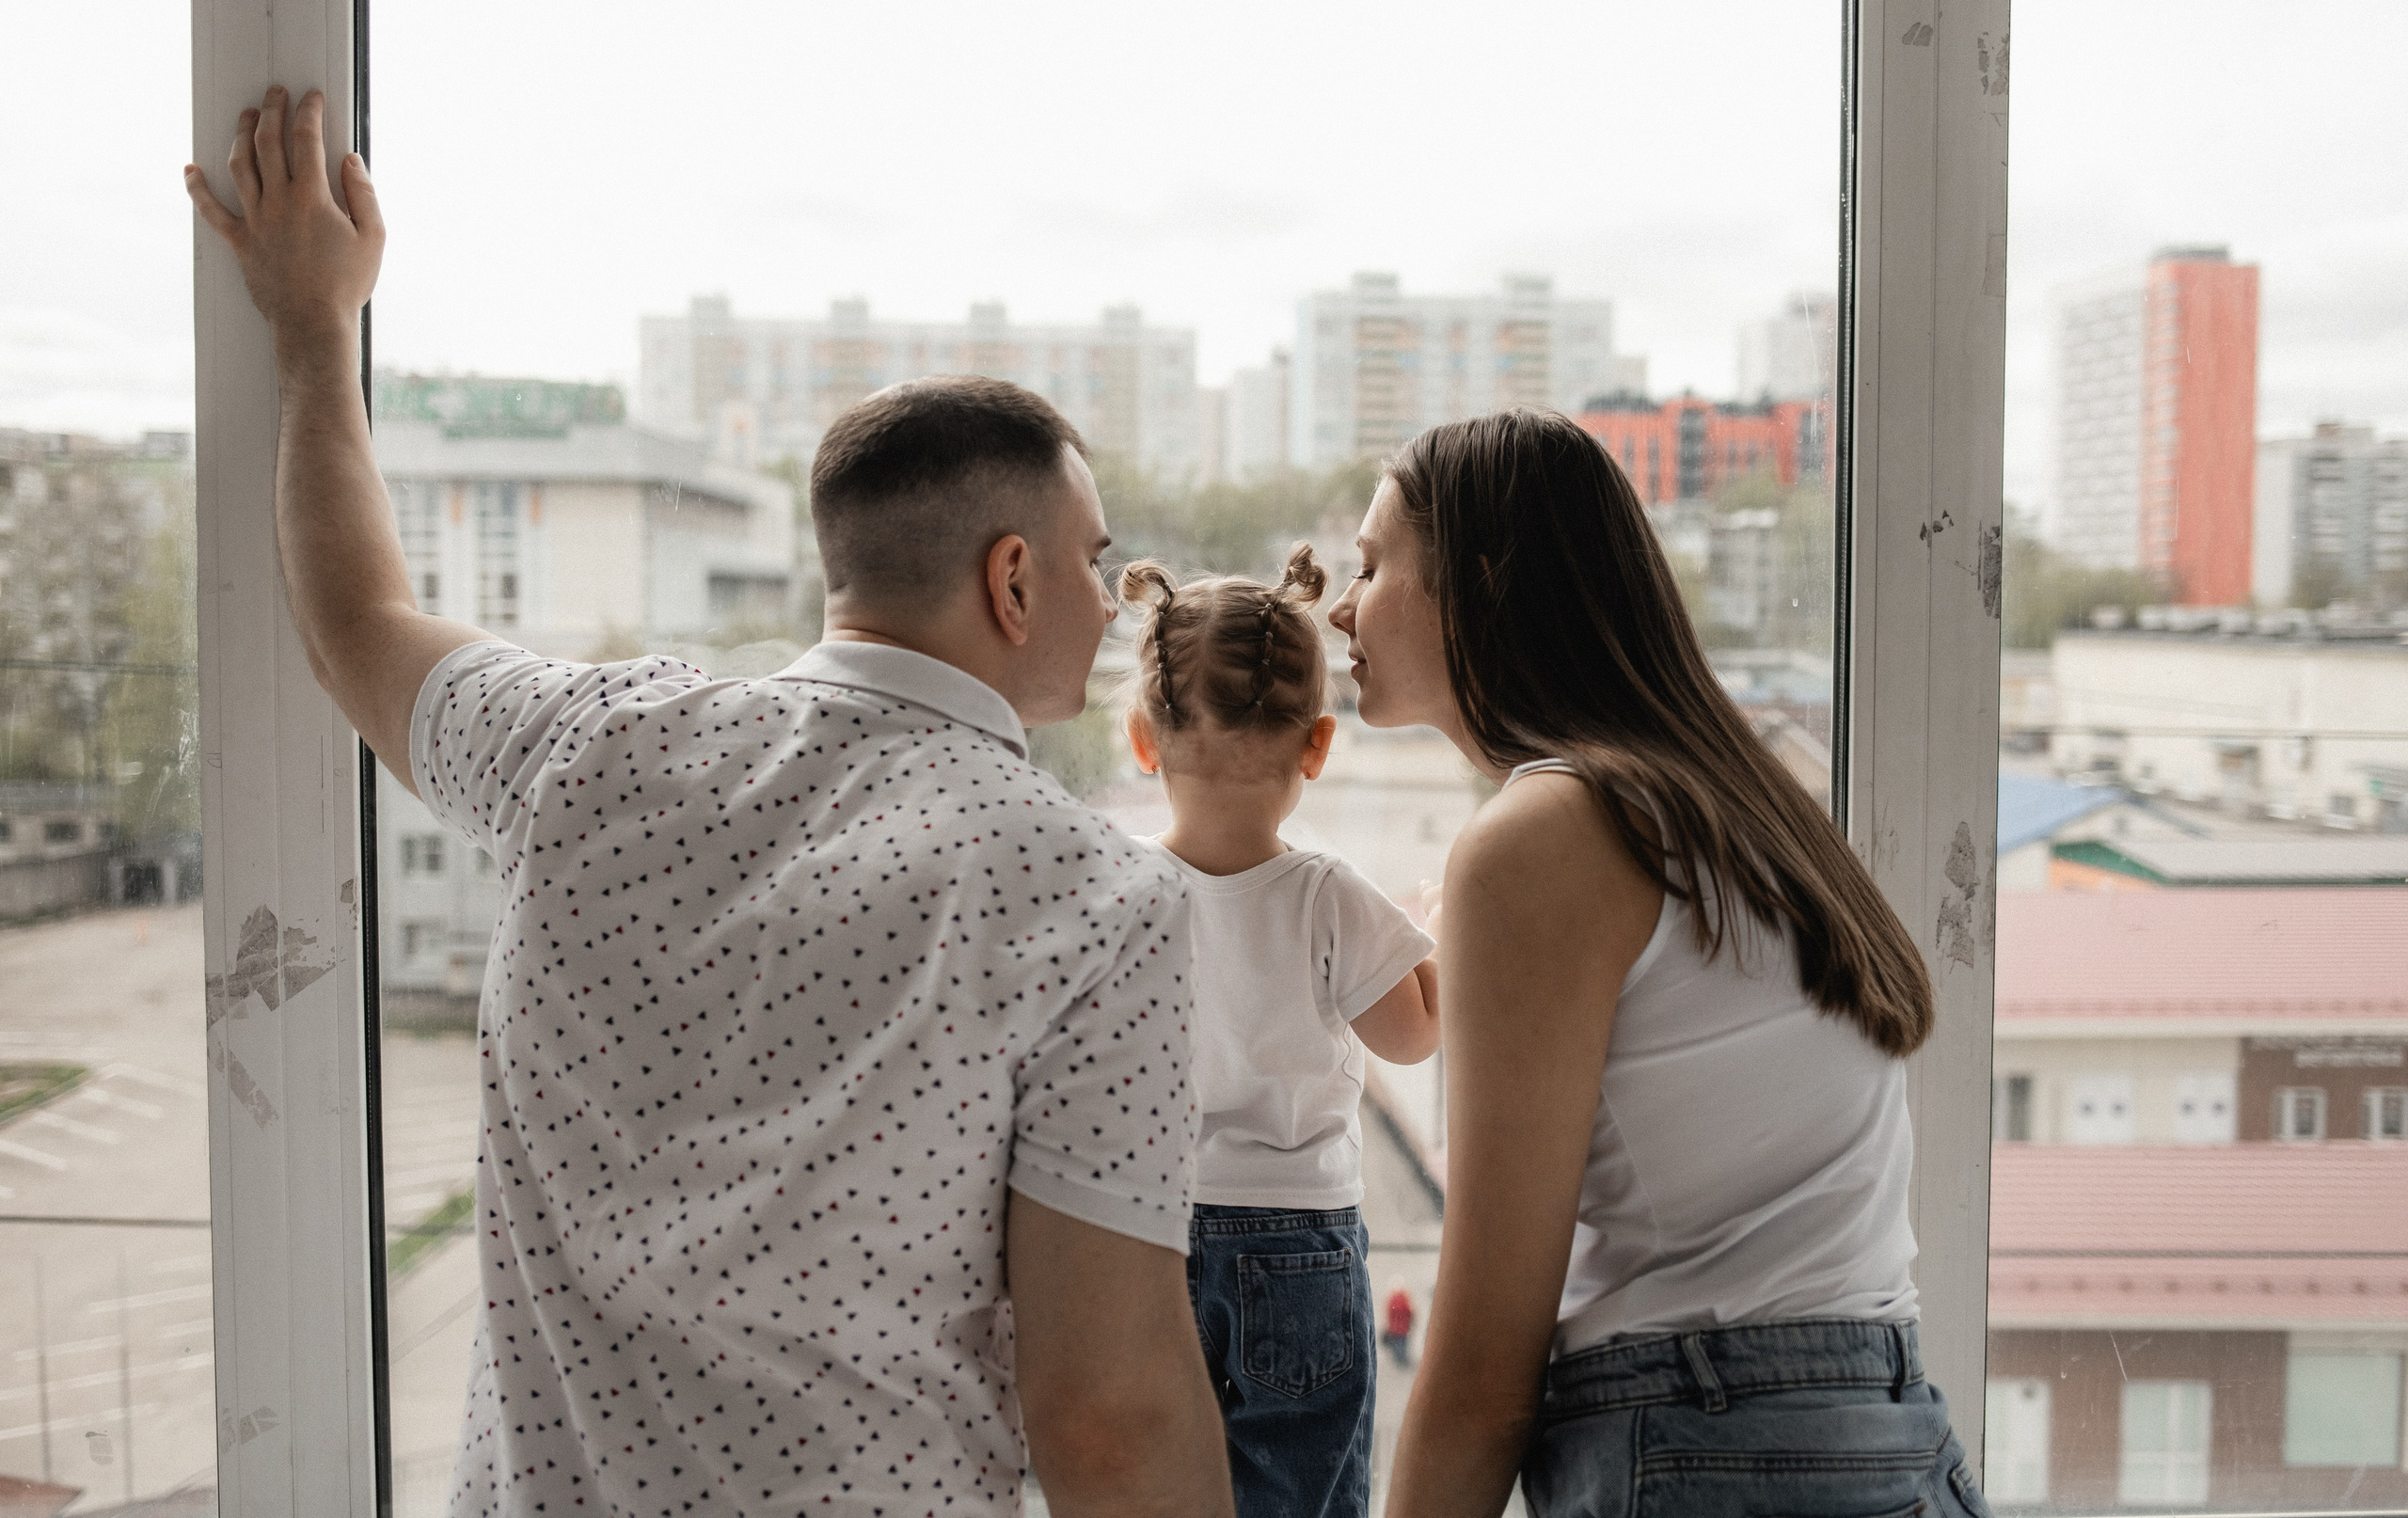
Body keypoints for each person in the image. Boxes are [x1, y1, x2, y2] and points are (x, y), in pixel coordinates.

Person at [184, 87, 1235, 1518]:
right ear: (1011, 578)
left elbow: (353, 625)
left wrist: (313, 330)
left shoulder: (587, 745)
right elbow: (1107, 1419)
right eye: (1094, 560)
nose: (1111, 600)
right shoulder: (1094, 904)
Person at [1333, 411, 1990, 1518]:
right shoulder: (1746, 810)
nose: (1339, 607)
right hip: (1894, 1440)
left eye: (1368, 566)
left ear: (1481, 584)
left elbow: (1486, 1369)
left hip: (1709, 1444)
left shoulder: (1544, 837)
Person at [1117, 546, 1440, 1518]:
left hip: (1144, 1233)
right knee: (1298, 1489)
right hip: (1299, 1241)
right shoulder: (1327, 894)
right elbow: (1413, 1037)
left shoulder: (1112, 886)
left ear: (1142, 739)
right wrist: (1436, 936)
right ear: (1316, 745)